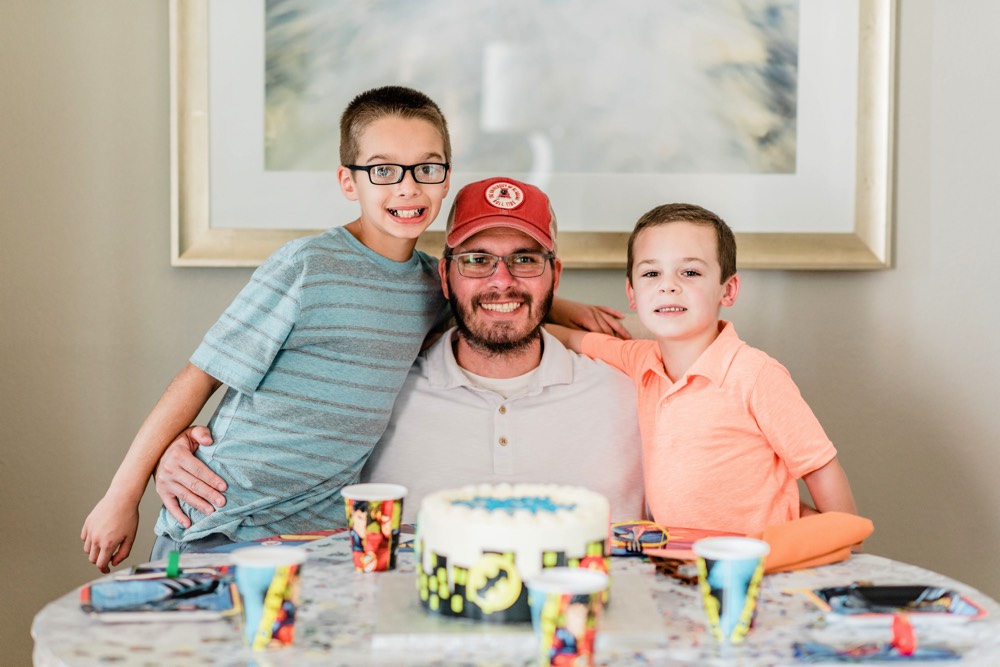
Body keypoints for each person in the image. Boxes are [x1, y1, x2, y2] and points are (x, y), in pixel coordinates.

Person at [81, 86, 623, 573]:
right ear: (348, 181)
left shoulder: (426, 286)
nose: (407, 187)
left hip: (320, 535)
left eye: (426, 169)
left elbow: (490, 302)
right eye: (384, 171)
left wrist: (564, 309)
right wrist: (122, 495)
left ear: (445, 179)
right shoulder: (306, 266)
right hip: (223, 514)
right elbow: (199, 377)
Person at [155, 177, 645, 529]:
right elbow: (289, 433)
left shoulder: (631, 393)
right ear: (444, 277)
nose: (502, 280)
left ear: (555, 275)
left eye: (525, 259)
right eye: (477, 260)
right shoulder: (382, 389)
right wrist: (187, 451)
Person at [549, 203, 857, 535]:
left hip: (760, 556)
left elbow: (819, 467)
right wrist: (558, 305)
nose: (668, 286)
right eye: (651, 274)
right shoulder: (639, 359)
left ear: (728, 290)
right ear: (632, 293)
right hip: (679, 556)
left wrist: (848, 545)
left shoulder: (754, 374)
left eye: (690, 273)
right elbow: (563, 336)